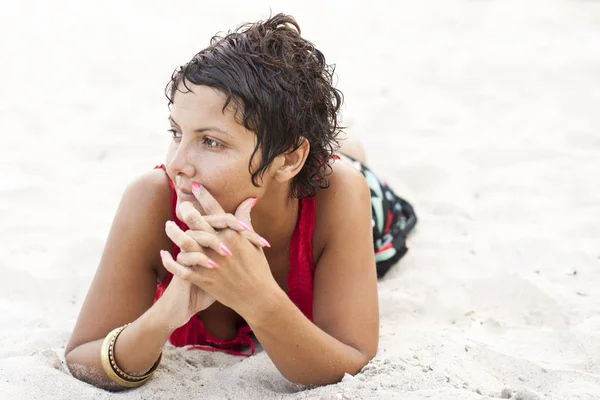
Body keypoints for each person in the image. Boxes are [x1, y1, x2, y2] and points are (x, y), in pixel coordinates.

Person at [64, 13, 416, 391]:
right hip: (289, 166)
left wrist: (259, 299)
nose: (177, 164)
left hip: (324, 188)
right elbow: (82, 356)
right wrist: (163, 317)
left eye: (211, 142)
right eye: (176, 132)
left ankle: (344, 151)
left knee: (351, 165)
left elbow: (351, 360)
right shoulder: (151, 199)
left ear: (289, 159)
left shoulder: (339, 196)